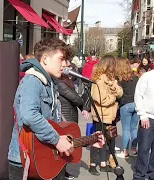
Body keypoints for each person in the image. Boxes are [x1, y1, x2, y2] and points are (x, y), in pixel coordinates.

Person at [8, 38, 103, 180]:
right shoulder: (32, 81)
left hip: (44, 159)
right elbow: (29, 115)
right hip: (27, 161)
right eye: (61, 59)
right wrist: (56, 140)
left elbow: (56, 126)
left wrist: (88, 140)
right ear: (45, 59)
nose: (66, 64)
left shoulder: (51, 83)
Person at [88, 55, 123, 176]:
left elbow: (120, 92)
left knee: (106, 139)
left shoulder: (111, 79)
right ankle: (92, 164)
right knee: (97, 139)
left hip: (110, 115)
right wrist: (113, 97)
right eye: (114, 64)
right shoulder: (98, 80)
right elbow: (100, 99)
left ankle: (103, 163)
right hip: (100, 115)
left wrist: (114, 88)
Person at [114, 57, 138, 158]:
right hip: (136, 104)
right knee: (133, 128)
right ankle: (134, 149)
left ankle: (125, 151)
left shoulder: (119, 79)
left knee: (126, 129)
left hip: (125, 105)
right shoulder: (136, 78)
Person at [133, 68, 154, 179]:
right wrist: (142, 115)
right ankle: (139, 175)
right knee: (144, 148)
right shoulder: (147, 76)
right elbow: (138, 95)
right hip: (148, 118)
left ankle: (152, 174)